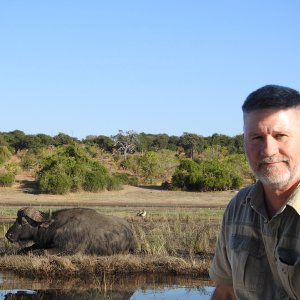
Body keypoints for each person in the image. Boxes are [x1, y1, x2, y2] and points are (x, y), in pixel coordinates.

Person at [209, 85, 300, 299]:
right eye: (256, 138)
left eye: (280, 136)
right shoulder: (239, 205)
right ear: (244, 141)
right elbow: (226, 290)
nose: (268, 150)